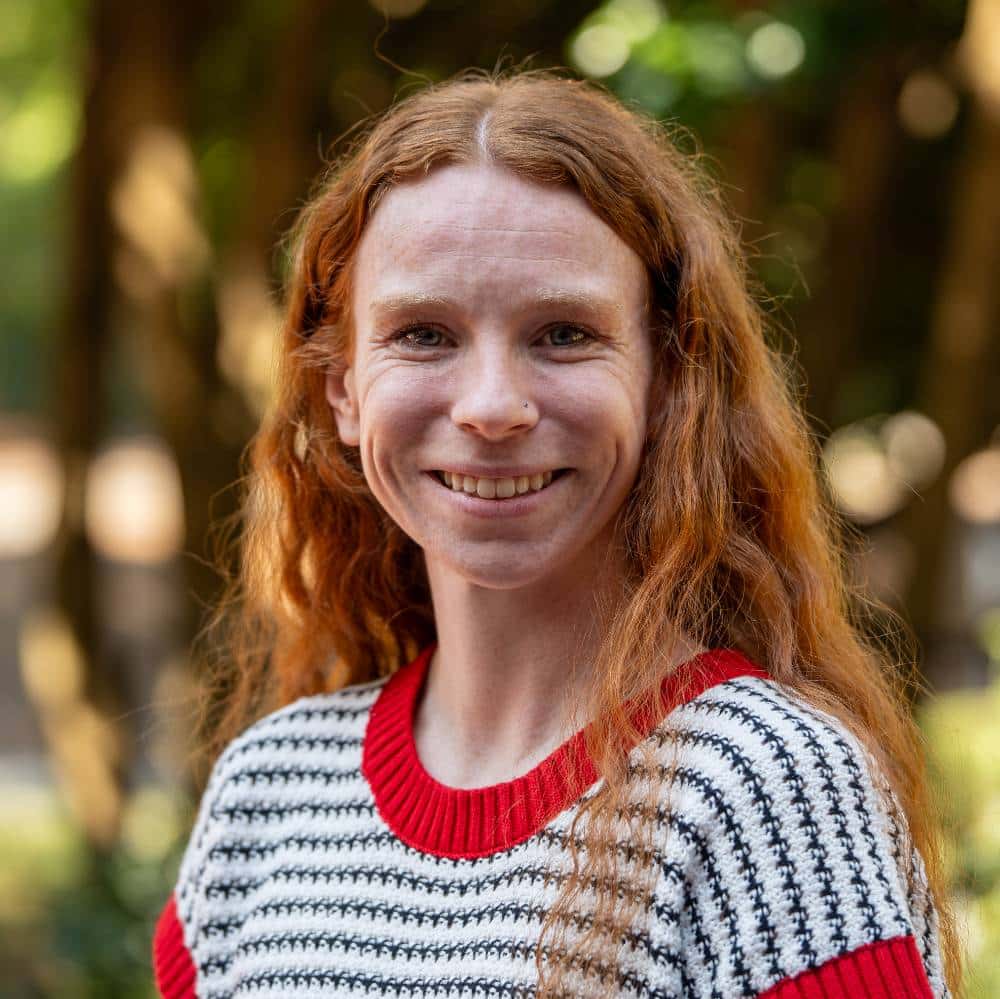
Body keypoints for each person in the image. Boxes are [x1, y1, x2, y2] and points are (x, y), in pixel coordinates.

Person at [151, 69, 962, 998]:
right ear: (342, 388)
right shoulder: (270, 791)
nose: (492, 405)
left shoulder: (767, 789)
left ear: (667, 377)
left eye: (564, 333)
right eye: (422, 334)